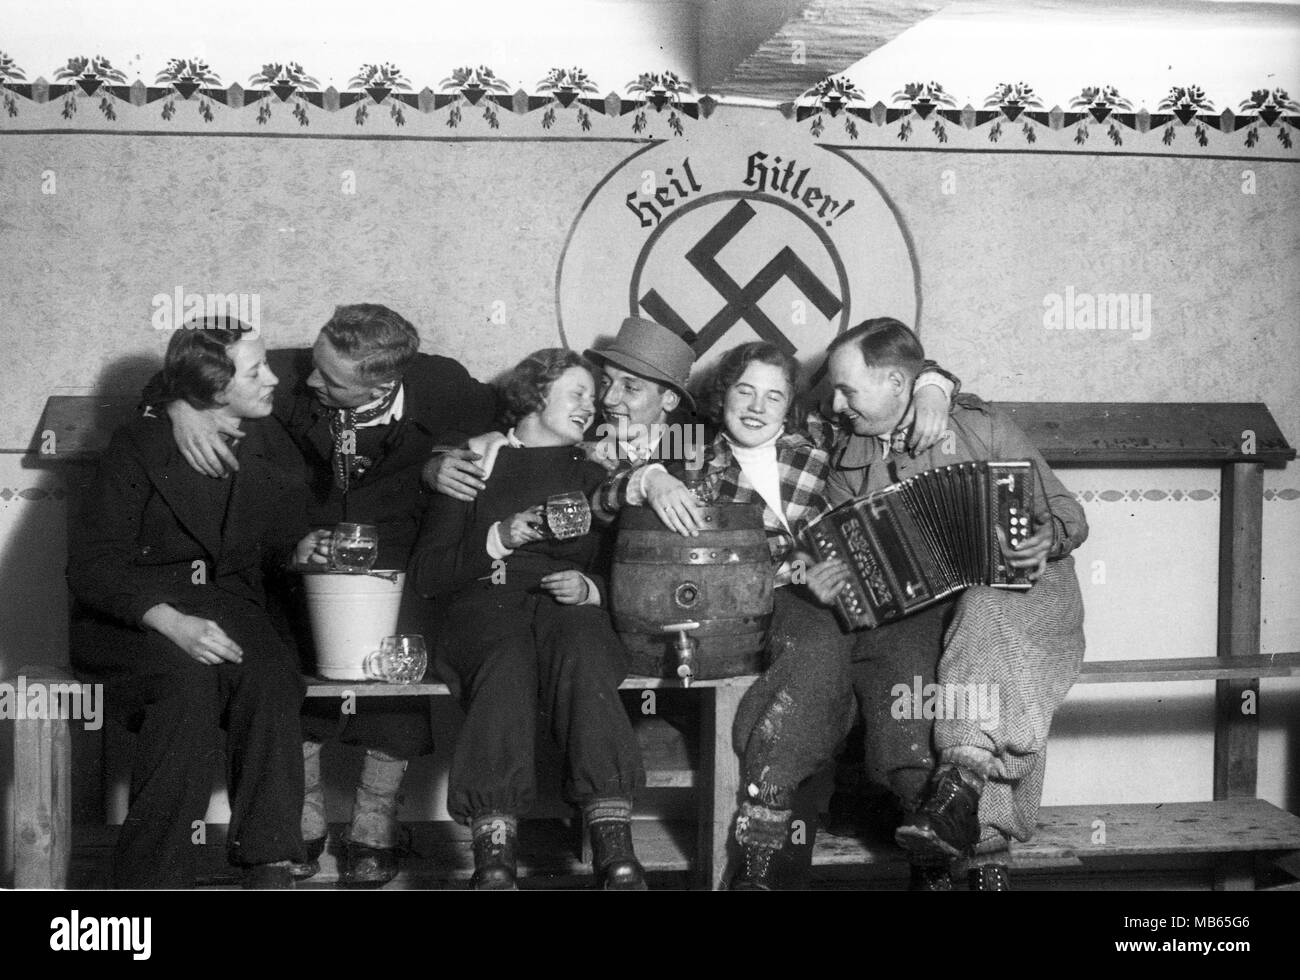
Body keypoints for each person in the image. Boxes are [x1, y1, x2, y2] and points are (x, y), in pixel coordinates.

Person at [145, 303, 497, 886]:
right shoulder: (289, 371)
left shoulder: (442, 384)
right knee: (281, 644)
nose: (309, 380)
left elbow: (514, 413)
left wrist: (442, 459)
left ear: (385, 382)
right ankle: (299, 821)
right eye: (315, 362)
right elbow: (176, 379)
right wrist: (180, 408)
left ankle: (374, 826)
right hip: (294, 552)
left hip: (390, 555)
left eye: (330, 379)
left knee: (397, 647)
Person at [808, 317, 1088, 890]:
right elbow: (846, 561)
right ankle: (978, 851)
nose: (836, 403)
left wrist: (1046, 537)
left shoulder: (980, 428)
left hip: (1031, 585)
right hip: (925, 610)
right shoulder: (845, 459)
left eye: (847, 389)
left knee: (985, 613)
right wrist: (836, 577)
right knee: (940, 654)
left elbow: (1069, 515)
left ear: (894, 383)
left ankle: (959, 793)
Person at [69, 318, 331, 889]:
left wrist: (299, 549)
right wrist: (172, 622)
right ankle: (150, 880)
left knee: (270, 676)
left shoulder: (267, 440)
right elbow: (92, 567)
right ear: (212, 388)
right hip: (134, 618)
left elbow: (276, 538)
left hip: (226, 607)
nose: (273, 380)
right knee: (186, 686)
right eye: (255, 370)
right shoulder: (138, 445)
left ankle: (268, 864)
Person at [409, 349, 646, 889]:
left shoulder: (595, 472)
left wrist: (590, 588)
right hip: (482, 607)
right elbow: (428, 575)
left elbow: (623, 569)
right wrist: (500, 538)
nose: (593, 406)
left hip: (563, 611)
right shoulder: (473, 464)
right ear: (536, 394)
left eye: (594, 395)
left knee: (585, 643)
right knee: (505, 657)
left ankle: (616, 852)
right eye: (579, 392)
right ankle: (495, 858)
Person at [655, 342, 857, 889]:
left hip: (832, 600)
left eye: (774, 396)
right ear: (723, 395)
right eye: (745, 390)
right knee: (820, 666)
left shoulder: (819, 446)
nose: (756, 407)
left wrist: (935, 385)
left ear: (791, 405)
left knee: (820, 668)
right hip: (744, 612)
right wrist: (650, 478)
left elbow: (901, 376)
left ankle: (758, 867)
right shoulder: (691, 457)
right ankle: (770, 871)